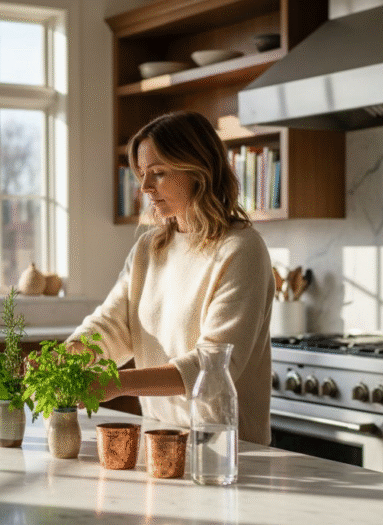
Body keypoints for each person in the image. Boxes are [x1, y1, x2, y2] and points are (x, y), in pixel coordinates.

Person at [67, 110, 274, 445]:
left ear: (199, 171)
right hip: (162, 439)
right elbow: (112, 325)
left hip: (226, 448)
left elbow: (214, 364)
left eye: (159, 173)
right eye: (142, 174)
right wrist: (64, 357)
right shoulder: (149, 248)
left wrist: (114, 383)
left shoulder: (241, 249)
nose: (145, 187)